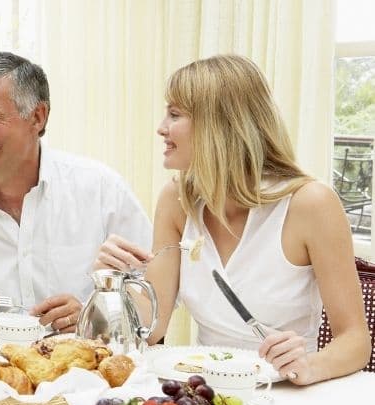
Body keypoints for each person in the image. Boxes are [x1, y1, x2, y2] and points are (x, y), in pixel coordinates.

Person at [95, 54, 371, 385]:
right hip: (203, 394)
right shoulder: (176, 200)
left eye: (175, 114)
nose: (161, 127)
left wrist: (310, 365)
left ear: (219, 124)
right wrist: (113, 284)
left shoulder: (310, 204)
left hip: (287, 395)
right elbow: (153, 329)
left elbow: (355, 340)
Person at [0, 52, 152, 331]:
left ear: (37, 117)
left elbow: (150, 300)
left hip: (82, 367)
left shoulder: (103, 191)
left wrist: (90, 316)